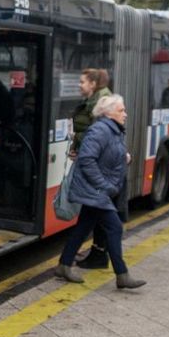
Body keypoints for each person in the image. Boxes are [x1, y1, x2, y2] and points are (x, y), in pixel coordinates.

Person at [55, 94, 146, 289]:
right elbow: (86, 160)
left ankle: (64, 265)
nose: (125, 114)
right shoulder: (100, 131)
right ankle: (122, 275)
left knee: (83, 227)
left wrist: (125, 159)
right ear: (109, 112)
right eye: (121, 110)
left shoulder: (113, 131)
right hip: (95, 191)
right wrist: (104, 186)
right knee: (115, 227)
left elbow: (108, 155)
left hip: (97, 190)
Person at [69, 68, 112, 268]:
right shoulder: (94, 100)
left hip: (98, 167)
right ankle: (99, 255)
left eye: (82, 82)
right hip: (97, 165)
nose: (79, 85)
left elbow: (95, 136)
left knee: (97, 215)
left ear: (93, 84)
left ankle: (71, 260)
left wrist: (82, 152)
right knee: (97, 214)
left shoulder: (101, 103)